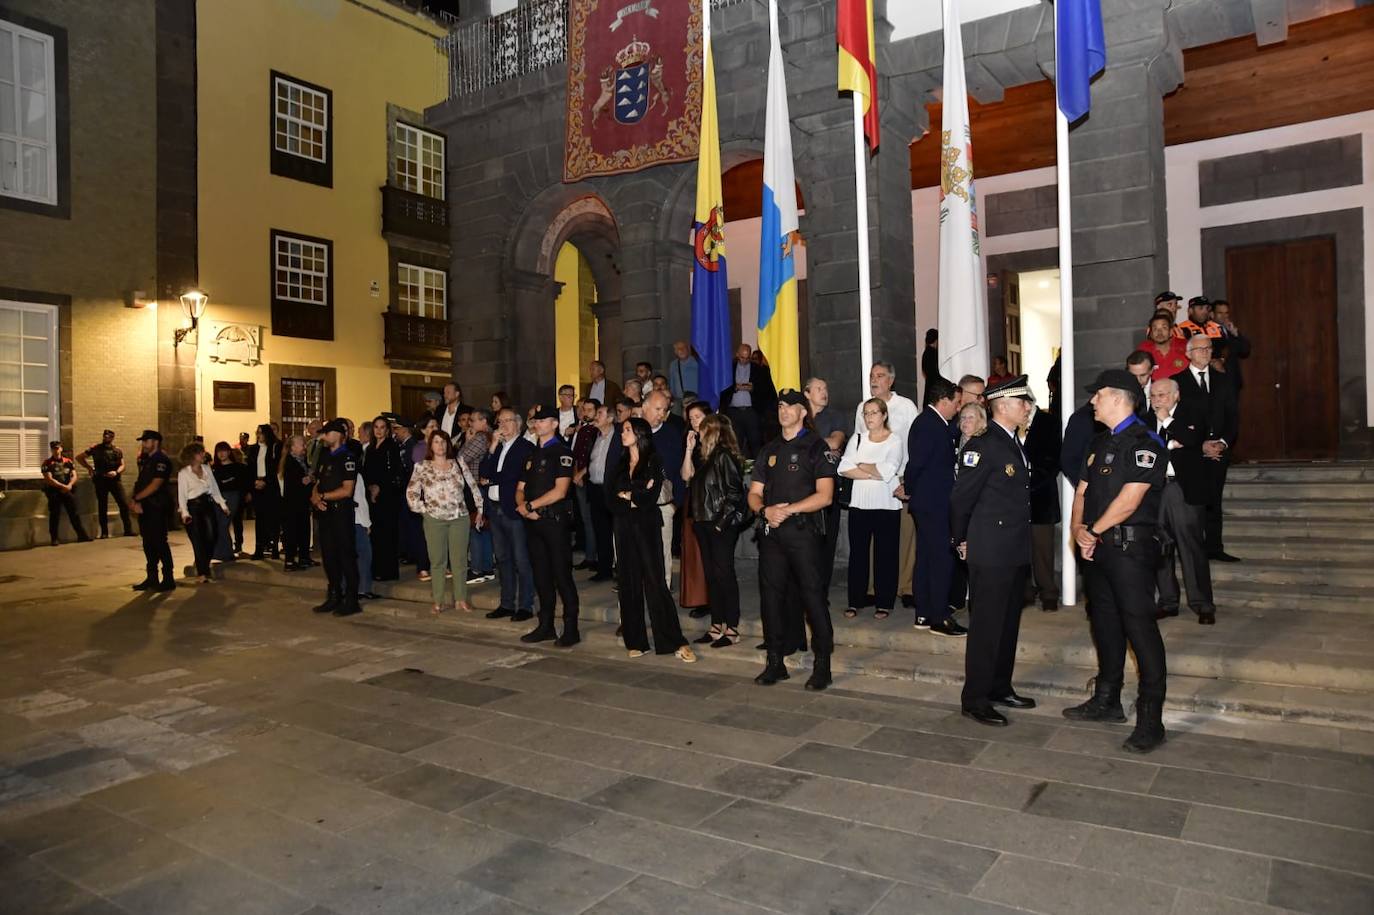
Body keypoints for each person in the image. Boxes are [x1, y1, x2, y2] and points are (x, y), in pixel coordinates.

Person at [1064, 369, 1169, 753]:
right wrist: (1079, 531)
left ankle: (1151, 717)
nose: (1092, 401)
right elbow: (1082, 491)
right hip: (1097, 550)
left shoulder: (1146, 442)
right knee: (1104, 624)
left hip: (1129, 550)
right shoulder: (1097, 442)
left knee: (1139, 628)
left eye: (1099, 394)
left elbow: (1131, 498)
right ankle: (1107, 700)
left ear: (1121, 398)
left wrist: (1093, 530)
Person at [950, 375, 1037, 727]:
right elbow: (960, 500)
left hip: (1014, 549)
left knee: (1008, 624)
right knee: (986, 626)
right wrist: (960, 540)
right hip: (990, 549)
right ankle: (975, 697)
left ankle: (1000, 686)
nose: (1028, 407)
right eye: (1023, 402)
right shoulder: (983, 445)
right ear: (1003, 406)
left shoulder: (1013, 442)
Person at [750, 389, 837, 690]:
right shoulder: (769, 449)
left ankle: (822, 664)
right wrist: (765, 510)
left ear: (803, 412)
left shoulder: (816, 446)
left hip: (803, 533)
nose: (783, 410)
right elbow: (754, 492)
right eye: (780, 405)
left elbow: (825, 496)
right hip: (772, 534)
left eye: (791, 406)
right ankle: (775, 662)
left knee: (812, 596)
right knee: (771, 597)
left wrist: (788, 511)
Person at [610, 417, 696, 662]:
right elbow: (610, 495)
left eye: (627, 430)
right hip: (624, 526)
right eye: (623, 429)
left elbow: (650, 495)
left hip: (647, 526)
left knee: (656, 582)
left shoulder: (653, 461)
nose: (622, 433)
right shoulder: (620, 462)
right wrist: (634, 494)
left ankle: (673, 640)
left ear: (639, 434)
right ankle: (635, 639)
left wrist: (629, 494)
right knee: (628, 582)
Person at [1150, 377, 1216, 625]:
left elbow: (1192, 440)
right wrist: (1171, 443)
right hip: (1157, 490)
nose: (1157, 400)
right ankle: (1168, 601)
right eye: (1154, 396)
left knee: (1191, 548)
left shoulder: (1192, 413)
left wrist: (1167, 421)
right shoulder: (1147, 419)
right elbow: (1149, 449)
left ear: (1176, 396)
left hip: (1183, 489)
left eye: (1163, 395)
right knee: (1160, 547)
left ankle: (1203, 604)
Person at [854, 361, 920, 608]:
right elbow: (859, 444)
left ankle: (906, 587)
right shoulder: (863, 407)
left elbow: (915, 444)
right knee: (873, 536)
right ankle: (873, 587)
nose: (874, 380)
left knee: (905, 533)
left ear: (891, 380)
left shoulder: (905, 407)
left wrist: (911, 480)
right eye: (872, 375)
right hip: (873, 480)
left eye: (880, 375)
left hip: (900, 478)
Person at [905, 378, 966, 635]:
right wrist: (910, 489)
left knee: (927, 557)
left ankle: (924, 612)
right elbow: (916, 465)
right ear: (943, 401)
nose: (959, 407)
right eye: (957, 402)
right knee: (940, 559)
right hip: (933, 504)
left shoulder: (934, 423)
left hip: (929, 502)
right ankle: (939, 617)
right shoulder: (929, 425)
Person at [516, 404, 580, 646]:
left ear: (554, 424)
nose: (537, 424)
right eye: (536, 420)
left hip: (554, 521)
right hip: (533, 523)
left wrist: (531, 507)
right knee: (541, 575)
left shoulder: (562, 452)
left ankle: (571, 628)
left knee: (562, 575)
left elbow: (561, 491)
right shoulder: (531, 455)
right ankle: (546, 625)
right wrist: (523, 507)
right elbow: (520, 488)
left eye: (543, 420)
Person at [1173, 334, 1240, 562]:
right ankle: (1194, 549)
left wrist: (1222, 442)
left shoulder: (1224, 381)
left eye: (1208, 348)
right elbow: (1177, 420)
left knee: (1214, 500)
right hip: (1192, 452)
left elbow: (1232, 417)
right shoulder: (1177, 382)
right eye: (1200, 349)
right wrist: (1199, 443)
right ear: (1188, 354)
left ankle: (1214, 547)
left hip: (1218, 450)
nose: (1205, 352)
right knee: (1194, 501)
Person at [408, 428, 485, 615]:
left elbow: (473, 485)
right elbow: (411, 492)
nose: (440, 445)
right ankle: (438, 600)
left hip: (459, 517)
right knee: (437, 561)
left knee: (459, 561)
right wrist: (423, 509)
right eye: (436, 442)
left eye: (443, 442)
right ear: (430, 445)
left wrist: (480, 508)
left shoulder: (458, 462)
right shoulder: (422, 466)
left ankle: (460, 599)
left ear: (448, 444)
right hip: (434, 519)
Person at [841, 398, 905, 621]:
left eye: (874, 413)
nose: (869, 417)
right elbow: (843, 467)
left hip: (887, 505)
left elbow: (889, 469)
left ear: (884, 415)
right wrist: (872, 472)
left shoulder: (894, 440)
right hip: (860, 504)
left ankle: (884, 602)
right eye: (866, 413)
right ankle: (855, 601)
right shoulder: (857, 438)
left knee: (885, 555)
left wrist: (860, 466)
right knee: (858, 555)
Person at [690, 414, 746, 648]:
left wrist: (719, 524)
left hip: (719, 524)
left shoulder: (724, 456)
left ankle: (731, 628)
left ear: (712, 432)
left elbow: (735, 494)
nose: (698, 433)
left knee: (724, 574)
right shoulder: (705, 457)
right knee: (712, 575)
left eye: (702, 430)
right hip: (703, 522)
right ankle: (716, 624)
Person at [480, 408, 537, 621]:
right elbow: (484, 473)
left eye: (507, 421)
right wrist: (493, 446)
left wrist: (493, 478)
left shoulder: (525, 447)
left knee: (522, 560)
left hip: (513, 509)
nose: (502, 425)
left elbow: (508, 476)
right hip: (495, 509)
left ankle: (525, 605)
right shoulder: (498, 448)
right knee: (502, 558)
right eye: (500, 421)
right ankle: (506, 603)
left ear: (518, 424)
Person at [311, 419, 362, 617]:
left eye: (327, 433)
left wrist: (322, 496)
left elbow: (347, 490)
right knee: (329, 556)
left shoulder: (348, 457)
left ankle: (351, 599)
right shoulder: (324, 455)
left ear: (339, 435)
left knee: (345, 555)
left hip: (341, 512)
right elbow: (317, 481)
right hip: (325, 513)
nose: (323, 436)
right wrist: (315, 495)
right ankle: (334, 595)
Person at [805, 377, 847, 592]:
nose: (824, 392)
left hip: (829, 487)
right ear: (807, 393)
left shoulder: (835, 416)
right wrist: (822, 447)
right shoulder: (799, 417)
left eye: (826, 388)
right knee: (805, 544)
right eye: (819, 388)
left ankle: (820, 591)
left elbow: (836, 442)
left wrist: (806, 447)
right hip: (801, 490)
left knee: (826, 544)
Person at [1022, 399, 1062, 612]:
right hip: (1016, 501)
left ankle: (1048, 592)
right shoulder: (1011, 424)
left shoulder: (1049, 423)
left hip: (1041, 498)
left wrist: (1027, 482)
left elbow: (1052, 461)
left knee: (1043, 549)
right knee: (1021, 548)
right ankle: (1026, 591)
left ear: (1028, 403)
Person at [642, 391, 683, 591]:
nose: (661, 414)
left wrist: (675, 505)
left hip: (663, 504)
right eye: (657, 409)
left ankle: (663, 594)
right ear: (644, 407)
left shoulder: (672, 433)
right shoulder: (630, 431)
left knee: (663, 551)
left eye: (664, 410)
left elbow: (678, 471)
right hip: (635, 504)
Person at [678, 400, 712, 617]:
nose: (694, 422)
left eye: (697, 417)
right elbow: (685, 475)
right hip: (693, 499)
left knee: (708, 553)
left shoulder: (718, 441)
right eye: (690, 419)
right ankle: (699, 598)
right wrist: (689, 450)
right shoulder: (691, 442)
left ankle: (712, 599)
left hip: (710, 501)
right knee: (693, 551)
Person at [176, 441, 228, 584]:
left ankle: (204, 565)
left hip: (208, 504)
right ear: (193, 455)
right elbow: (182, 495)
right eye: (200, 452)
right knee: (198, 540)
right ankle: (203, 572)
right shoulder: (184, 473)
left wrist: (222, 504)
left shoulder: (206, 468)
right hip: (193, 506)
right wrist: (185, 513)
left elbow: (214, 487)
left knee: (212, 535)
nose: (203, 454)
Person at [130, 430, 175, 591]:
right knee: (148, 543)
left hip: (157, 506)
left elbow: (155, 484)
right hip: (146, 507)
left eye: (145, 441)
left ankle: (168, 578)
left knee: (159, 542)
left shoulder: (161, 460)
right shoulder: (148, 460)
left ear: (155, 441)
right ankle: (152, 577)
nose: (143, 444)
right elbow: (141, 482)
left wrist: (137, 498)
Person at [360, 416, 404, 582]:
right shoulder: (370, 448)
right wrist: (370, 486)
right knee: (375, 534)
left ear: (387, 429)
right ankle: (376, 568)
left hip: (388, 496)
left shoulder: (391, 447)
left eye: (382, 427)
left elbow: (394, 472)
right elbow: (366, 471)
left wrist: (380, 487)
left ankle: (388, 571)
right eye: (376, 427)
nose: (378, 430)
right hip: (372, 496)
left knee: (388, 533)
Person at [720, 343, 777, 458]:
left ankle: (759, 471)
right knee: (735, 445)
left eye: (747, 358)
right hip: (733, 412)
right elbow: (721, 389)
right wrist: (734, 388)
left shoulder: (759, 370)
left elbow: (768, 391)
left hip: (752, 412)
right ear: (737, 355)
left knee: (756, 444)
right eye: (742, 357)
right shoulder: (727, 368)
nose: (744, 360)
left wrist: (753, 388)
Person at [460, 409, 496, 585]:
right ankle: (487, 568)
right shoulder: (488, 437)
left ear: (484, 421)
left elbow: (461, 459)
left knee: (476, 529)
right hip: (482, 488)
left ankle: (477, 569)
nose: (470, 424)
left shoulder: (481, 438)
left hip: (475, 488)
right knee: (484, 529)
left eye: (473, 420)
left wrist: (467, 441)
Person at [77, 429, 132, 538]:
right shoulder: (95, 448)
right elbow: (79, 457)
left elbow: (122, 465)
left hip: (114, 480)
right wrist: (89, 468)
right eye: (105, 436)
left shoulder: (117, 450)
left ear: (112, 438)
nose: (106, 438)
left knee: (123, 504)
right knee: (102, 506)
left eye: (108, 436)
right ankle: (104, 532)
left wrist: (116, 472)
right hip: (101, 480)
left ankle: (128, 530)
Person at [584, 402, 617, 583]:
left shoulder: (619, 437)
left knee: (615, 531)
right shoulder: (594, 436)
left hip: (611, 490)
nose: (596, 416)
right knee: (600, 531)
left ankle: (618, 568)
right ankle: (604, 569)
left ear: (610, 418)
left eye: (600, 413)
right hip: (595, 490)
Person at [569, 399, 600, 572]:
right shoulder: (582, 430)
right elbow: (576, 455)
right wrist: (575, 474)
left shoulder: (596, 431)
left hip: (590, 479)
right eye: (584, 409)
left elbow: (594, 456)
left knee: (592, 520)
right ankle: (589, 556)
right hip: (579, 479)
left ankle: (594, 557)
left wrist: (581, 473)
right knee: (585, 519)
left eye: (590, 409)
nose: (586, 412)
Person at [41, 441, 91, 546]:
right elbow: (49, 479)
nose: (56, 450)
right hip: (55, 492)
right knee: (55, 515)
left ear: (61, 449)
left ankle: (82, 535)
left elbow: (74, 475)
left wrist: (69, 485)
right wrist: (62, 486)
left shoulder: (68, 461)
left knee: (74, 513)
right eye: (54, 448)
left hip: (68, 490)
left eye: (58, 448)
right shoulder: (47, 463)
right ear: (51, 450)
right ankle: (54, 539)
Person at [245, 424, 283, 560]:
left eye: (261, 433)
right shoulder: (253, 449)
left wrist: (265, 481)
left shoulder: (275, 448)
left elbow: (276, 468)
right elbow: (249, 469)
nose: (258, 435)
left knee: (273, 518)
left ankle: (274, 548)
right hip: (256, 486)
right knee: (259, 518)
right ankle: (259, 548)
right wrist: (253, 483)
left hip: (271, 486)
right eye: (257, 433)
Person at [279, 435, 315, 571]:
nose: (305, 447)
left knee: (304, 529)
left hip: (302, 502)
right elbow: (295, 482)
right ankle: (289, 560)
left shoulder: (302, 460)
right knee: (292, 531)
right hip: (292, 503)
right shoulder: (289, 461)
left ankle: (304, 557)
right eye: (302, 445)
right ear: (292, 447)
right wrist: (305, 480)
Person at [211, 442, 249, 561]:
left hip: (233, 496)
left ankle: (227, 553)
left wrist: (245, 496)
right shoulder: (214, 469)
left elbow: (243, 484)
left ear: (228, 452)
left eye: (223, 451)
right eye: (218, 451)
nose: (221, 454)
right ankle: (220, 552)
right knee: (218, 524)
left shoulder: (239, 467)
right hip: (218, 497)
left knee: (223, 523)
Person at [1211, 299, 1251, 391]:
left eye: (1226, 313)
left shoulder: (1230, 331)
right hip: (1217, 382)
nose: (1224, 316)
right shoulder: (1207, 331)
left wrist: (1236, 334)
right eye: (1220, 313)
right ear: (1212, 314)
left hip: (1233, 381)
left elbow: (1245, 351)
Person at [1139, 311, 1189, 381]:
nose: (1159, 332)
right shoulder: (1144, 349)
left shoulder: (1185, 346)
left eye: (1164, 328)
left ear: (1171, 332)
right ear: (1150, 333)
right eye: (1155, 329)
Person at [668, 340, 699, 407]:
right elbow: (672, 383)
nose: (681, 350)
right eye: (678, 349)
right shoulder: (673, 365)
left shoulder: (697, 362)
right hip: (680, 401)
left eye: (683, 348)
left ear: (688, 349)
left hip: (696, 400)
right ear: (675, 352)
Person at [920, 328, 941, 405]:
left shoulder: (926, 353)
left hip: (929, 388)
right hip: (936, 390)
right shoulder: (934, 354)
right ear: (936, 340)